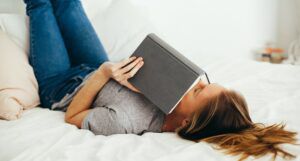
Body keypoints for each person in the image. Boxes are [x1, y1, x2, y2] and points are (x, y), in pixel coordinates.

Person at [23, 0, 298, 160]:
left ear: (188, 122)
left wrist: (105, 73)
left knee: (41, 3)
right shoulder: (171, 90)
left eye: (198, 91)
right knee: (68, 1)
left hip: (63, 87)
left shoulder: (127, 121)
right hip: (98, 67)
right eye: (203, 82)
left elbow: (73, 116)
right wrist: (109, 69)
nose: (194, 83)